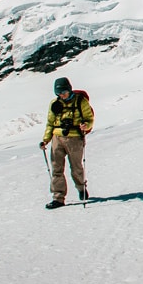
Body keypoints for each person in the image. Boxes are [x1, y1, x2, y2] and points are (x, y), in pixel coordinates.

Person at [40, 76, 93, 209]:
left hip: (75, 138)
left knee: (76, 167)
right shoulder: (54, 104)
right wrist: (46, 139)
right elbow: (50, 123)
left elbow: (89, 118)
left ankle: (81, 188)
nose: (62, 95)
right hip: (57, 138)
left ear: (69, 89)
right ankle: (58, 197)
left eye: (63, 92)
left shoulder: (81, 101)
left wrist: (86, 125)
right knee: (57, 169)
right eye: (58, 93)